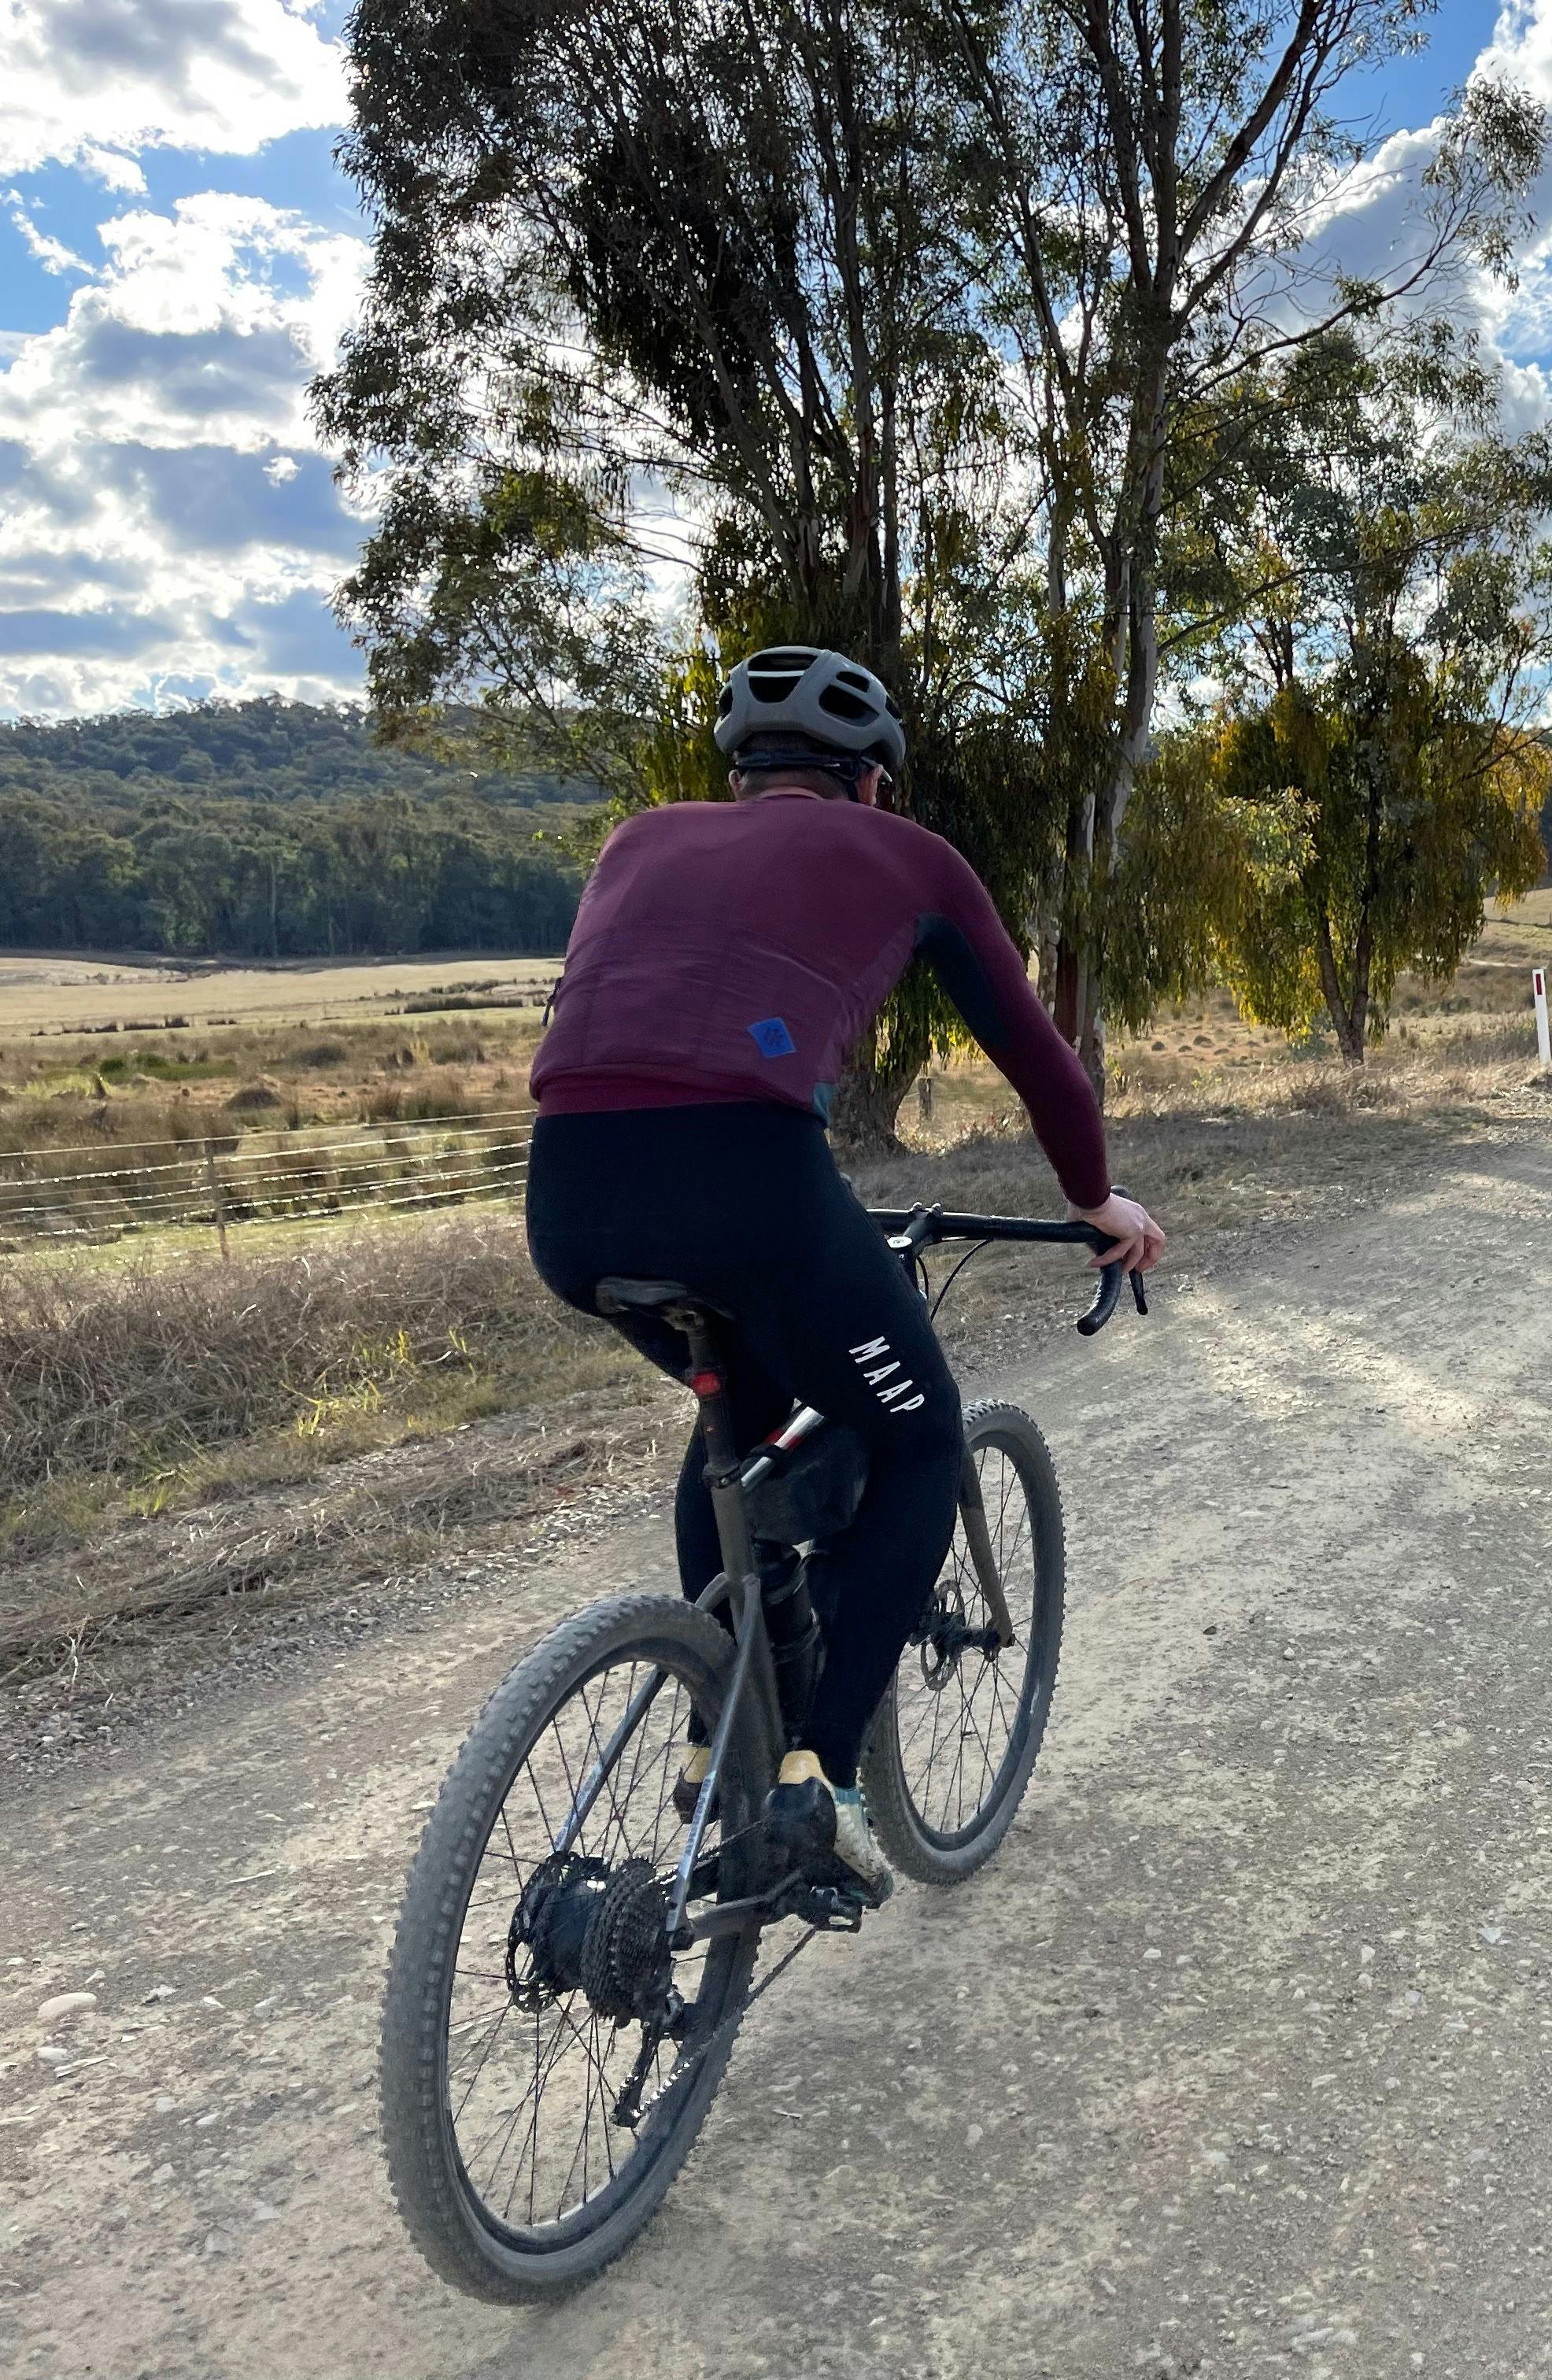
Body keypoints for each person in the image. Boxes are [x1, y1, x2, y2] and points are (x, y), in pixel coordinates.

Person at [524, 645, 1164, 1903]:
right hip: (752, 1176)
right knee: (921, 1438)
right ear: (873, 784)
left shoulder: (637, 839)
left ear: (741, 770)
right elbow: (1044, 1064)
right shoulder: (913, 856)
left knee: (742, 1410)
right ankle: (822, 1780)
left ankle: (734, 1707)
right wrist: (1096, 1203)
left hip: (569, 1199)